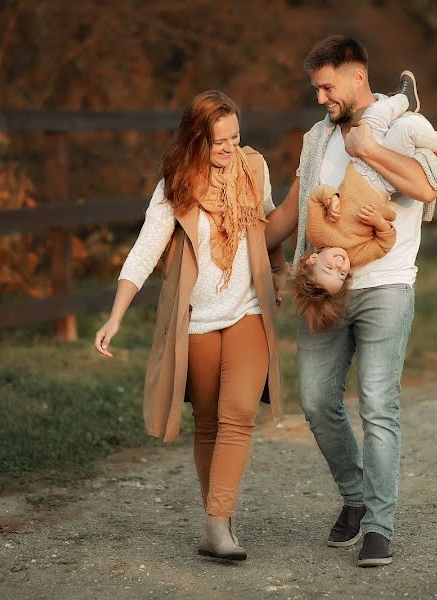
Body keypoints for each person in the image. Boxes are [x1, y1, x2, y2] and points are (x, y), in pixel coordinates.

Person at [265, 35, 437, 568]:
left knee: (377, 403)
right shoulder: (316, 140)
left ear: (356, 77)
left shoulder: (400, 126)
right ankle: (356, 496)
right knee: (319, 403)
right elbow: (289, 213)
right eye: (317, 89)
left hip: (386, 284)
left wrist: (367, 149)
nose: (321, 97)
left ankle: (379, 527)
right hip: (325, 288)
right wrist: (244, 248)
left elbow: (427, 187)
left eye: (327, 87)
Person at [93, 90, 286, 562]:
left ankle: (217, 527)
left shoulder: (253, 169)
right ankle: (218, 518)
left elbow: (269, 223)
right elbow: (144, 251)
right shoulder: (176, 185)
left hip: (248, 312)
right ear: (196, 138)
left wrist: (279, 276)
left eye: (235, 136)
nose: (228, 148)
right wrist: (115, 316)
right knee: (207, 424)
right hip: (197, 320)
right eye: (218, 140)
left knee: (238, 414)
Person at [293, 70, 437, 331]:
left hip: (361, 166)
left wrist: (332, 198)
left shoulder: (318, 233)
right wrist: (379, 222)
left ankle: (405, 99)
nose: (341, 266)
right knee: (407, 128)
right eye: (341, 275)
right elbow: (384, 244)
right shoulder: (355, 256)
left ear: (312, 261)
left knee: (374, 115)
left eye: (330, 269)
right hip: (384, 183)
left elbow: (313, 198)